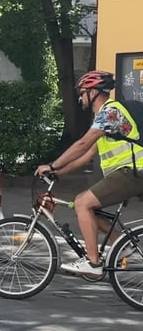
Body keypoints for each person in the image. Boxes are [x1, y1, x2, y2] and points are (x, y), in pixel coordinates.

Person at [36, 70, 143, 276]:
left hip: (132, 172)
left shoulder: (110, 112)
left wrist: (52, 165)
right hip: (130, 173)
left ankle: (92, 262)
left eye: (83, 92)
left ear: (93, 92)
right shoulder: (104, 120)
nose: (80, 97)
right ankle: (123, 244)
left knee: (82, 202)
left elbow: (82, 144)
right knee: (87, 208)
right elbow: (85, 156)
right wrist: (58, 174)